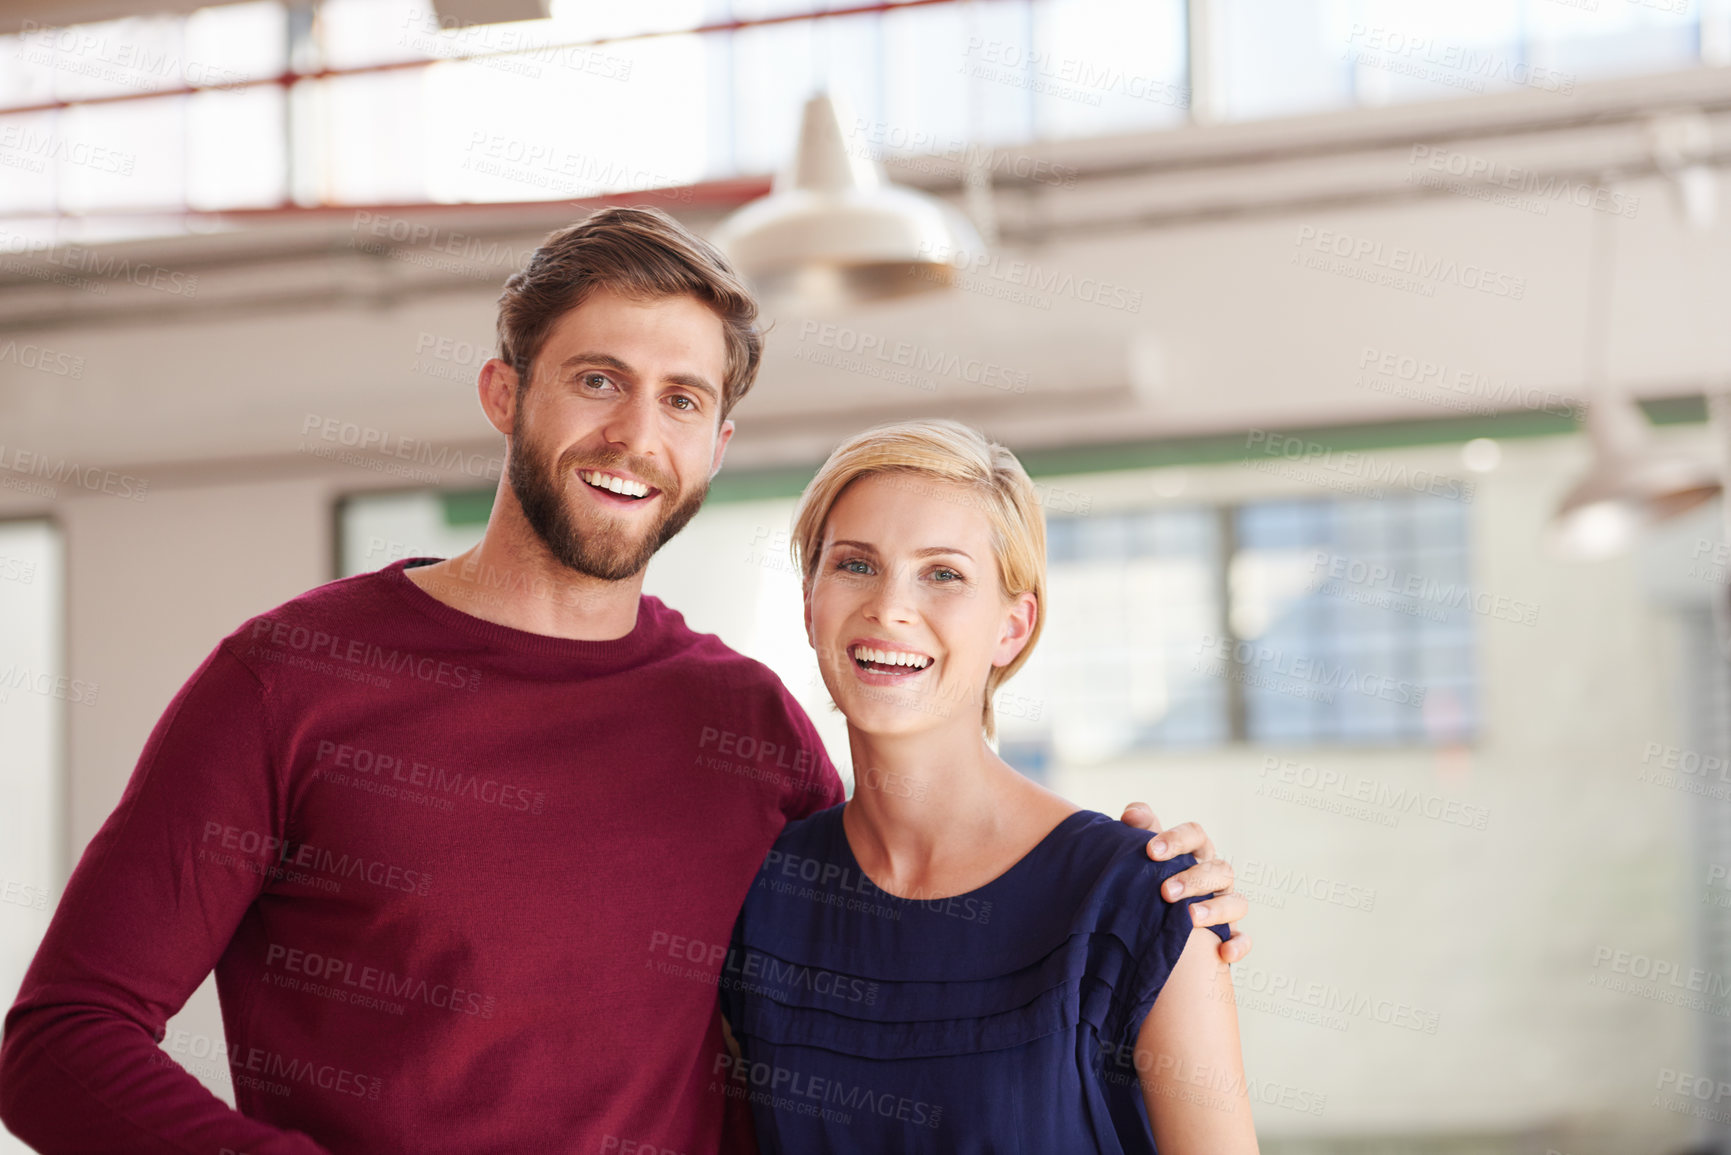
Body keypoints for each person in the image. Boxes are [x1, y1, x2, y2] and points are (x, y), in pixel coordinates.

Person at [0, 207, 1249, 1155]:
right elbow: (58, 1045)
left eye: (681, 398)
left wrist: (1155, 908)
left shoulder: (743, 724)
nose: (635, 435)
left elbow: (914, 914)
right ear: (506, 393)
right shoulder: (291, 683)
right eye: (596, 380)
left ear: (716, 444)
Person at [719, 419, 1258, 1152]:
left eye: (943, 573)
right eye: (854, 564)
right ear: (809, 602)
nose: (888, 607)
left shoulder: (1140, 899)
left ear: (1012, 625)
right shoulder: (759, 896)